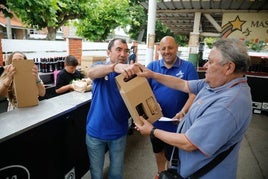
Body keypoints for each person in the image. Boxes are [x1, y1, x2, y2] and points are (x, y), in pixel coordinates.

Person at [135, 38, 252, 178]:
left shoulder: (228, 105)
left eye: (210, 61)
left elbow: (189, 143)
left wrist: (152, 131)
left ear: (229, 68)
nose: (205, 65)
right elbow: (183, 85)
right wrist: (152, 75)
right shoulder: (216, 84)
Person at [85, 38, 137, 179]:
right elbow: (91, 73)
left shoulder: (130, 74)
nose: (123, 54)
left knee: (116, 171)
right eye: (118, 49)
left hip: (118, 132)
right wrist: (113, 67)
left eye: (126, 51)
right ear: (109, 52)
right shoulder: (100, 67)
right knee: (96, 171)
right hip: (96, 131)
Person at [148, 36, 198, 179]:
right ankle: (159, 172)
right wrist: (152, 103)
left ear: (176, 48)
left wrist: (183, 112)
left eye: (170, 47)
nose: (166, 51)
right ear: (159, 50)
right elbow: (145, 91)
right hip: (156, 122)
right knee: (158, 151)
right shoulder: (152, 67)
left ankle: (170, 175)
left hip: (176, 124)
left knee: (173, 155)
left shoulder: (187, 67)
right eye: (163, 48)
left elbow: (193, 94)